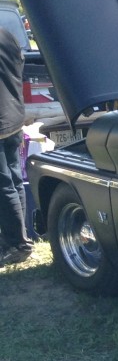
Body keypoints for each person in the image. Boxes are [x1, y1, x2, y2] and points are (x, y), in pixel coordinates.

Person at [0, 27, 33, 267]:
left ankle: (17, 244)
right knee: (14, 180)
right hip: (13, 116)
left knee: (4, 185)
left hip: (2, 120)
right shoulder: (7, 35)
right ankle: (19, 238)